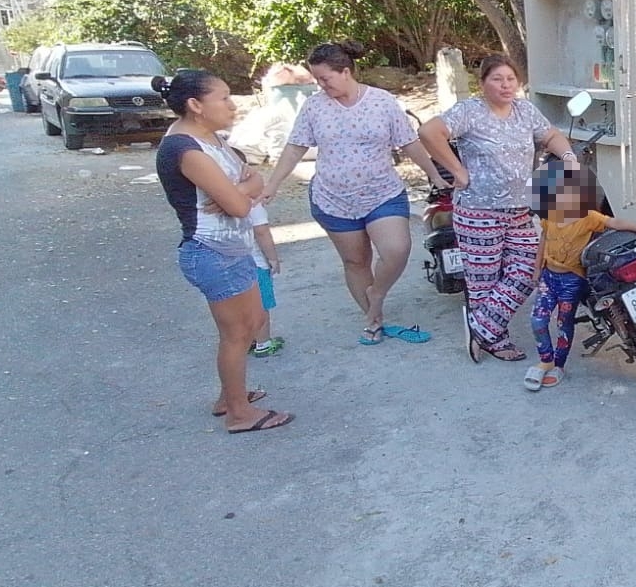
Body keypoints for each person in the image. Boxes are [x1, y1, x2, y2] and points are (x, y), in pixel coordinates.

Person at [260, 40, 448, 346]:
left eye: (325, 78)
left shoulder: (382, 102)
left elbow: (409, 142)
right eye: (317, 79)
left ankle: (376, 293)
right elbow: (296, 147)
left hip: (381, 194)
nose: (321, 85)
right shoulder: (314, 106)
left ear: (345, 71)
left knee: (396, 250)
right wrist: (272, 184)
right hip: (332, 199)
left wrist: (435, 174)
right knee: (356, 262)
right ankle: (373, 318)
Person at [153, 70, 292, 434]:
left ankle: (230, 396)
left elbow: (255, 178)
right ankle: (238, 413)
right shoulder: (185, 149)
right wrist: (242, 190)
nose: (233, 105)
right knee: (238, 332)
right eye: (224, 98)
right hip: (211, 251)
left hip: (231, 248)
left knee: (250, 324)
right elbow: (240, 206)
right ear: (195, 105)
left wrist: (244, 186)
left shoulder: (211, 138)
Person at [417, 54, 582, 362]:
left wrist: (569, 158)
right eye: (497, 79)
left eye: (510, 79)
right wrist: (458, 171)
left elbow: (551, 135)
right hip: (479, 212)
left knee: (530, 270)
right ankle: (497, 338)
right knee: (485, 281)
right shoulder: (470, 111)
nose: (505, 85)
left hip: (519, 211)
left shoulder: (525, 111)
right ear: (482, 84)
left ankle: (479, 329)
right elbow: (428, 133)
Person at [523, 164, 636, 391]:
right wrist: (536, 269)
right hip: (548, 278)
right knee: (538, 320)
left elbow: (613, 222)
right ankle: (546, 360)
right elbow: (543, 239)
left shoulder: (587, 216)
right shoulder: (548, 215)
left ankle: (558, 366)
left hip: (572, 281)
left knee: (564, 323)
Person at [246, 204, 285, 358]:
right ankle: (263, 343)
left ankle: (246, 340)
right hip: (254, 263)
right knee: (260, 304)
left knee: (239, 307)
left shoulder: (220, 201)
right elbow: (261, 233)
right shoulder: (253, 205)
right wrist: (273, 258)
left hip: (228, 264)